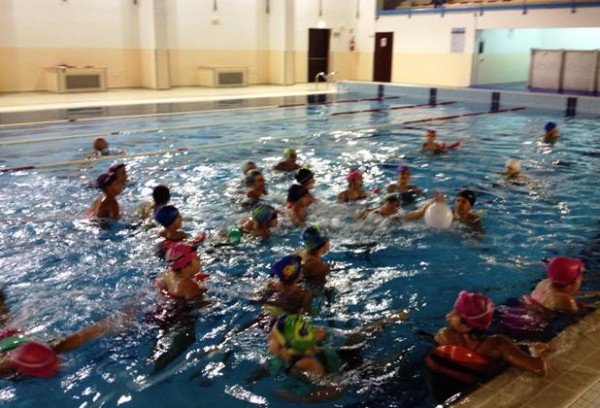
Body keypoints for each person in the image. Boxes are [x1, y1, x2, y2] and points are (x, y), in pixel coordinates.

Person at [0, 286, 131, 378]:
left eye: (6, 309)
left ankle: (110, 324)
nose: (6, 316)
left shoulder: (11, 331)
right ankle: (110, 324)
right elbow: (54, 348)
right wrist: (99, 328)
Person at [434, 291, 550, 376]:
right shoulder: (498, 345)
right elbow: (539, 368)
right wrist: (535, 350)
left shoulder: (445, 336)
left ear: (466, 326)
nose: (448, 316)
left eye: (455, 313)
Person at [526, 257, 593, 313]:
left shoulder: (545, 282)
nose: (582, 279)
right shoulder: (567, 301)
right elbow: (577, 314)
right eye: (580, 278)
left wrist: (593, 294)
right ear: (573, 283)